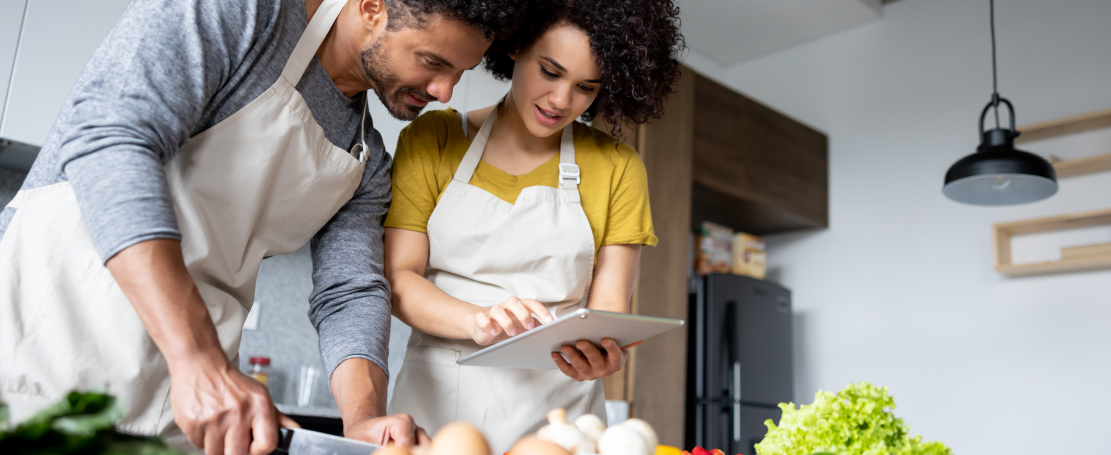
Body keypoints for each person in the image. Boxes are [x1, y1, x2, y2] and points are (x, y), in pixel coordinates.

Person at [0, 0, 521, 453]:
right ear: (371, 6)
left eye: (461, 71)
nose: (446, 91)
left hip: (185, 412)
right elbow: (111, 139)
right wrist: (198, 359)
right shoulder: (244, 15)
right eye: (433, 62)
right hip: (44, 347)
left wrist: (362, 419)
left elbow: (351, 292)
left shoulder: (366, 157)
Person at [381, 0, 685, 450]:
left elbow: (609, 308)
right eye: (549, 71)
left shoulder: (617, 167)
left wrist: (604, 352)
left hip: (561, 418)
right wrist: (480, 321)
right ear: (516, 45)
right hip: (437, 409)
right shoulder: (433, 140)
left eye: (585, 87)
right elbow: (398, 279)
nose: (562, 101)